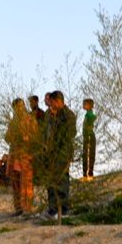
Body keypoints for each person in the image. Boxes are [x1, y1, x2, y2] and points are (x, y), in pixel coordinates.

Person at [40, 90, 77, 219]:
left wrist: (57, 149)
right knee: (50, 182)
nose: (50, 104)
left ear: (58, 101)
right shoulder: (50, 115)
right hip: (50, 154)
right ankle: (52, 209)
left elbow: (69, 135)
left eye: (52, 102)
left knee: (62, 181)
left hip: (62, 153)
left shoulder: (68, 115)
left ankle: (65, 210)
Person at [5, 98, 38, 215]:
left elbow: (35, 136)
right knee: (16, 182)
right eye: (16, 107)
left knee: (26, 183)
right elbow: (7, 137)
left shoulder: (30, 119)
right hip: (15, 155)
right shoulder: (13, 122)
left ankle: (27, 208)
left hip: (26, 155)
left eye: (21, 106)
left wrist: (26, 137)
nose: (19, 108)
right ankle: (18, 208)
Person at [82, 98, 97, 181]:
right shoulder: (87, 114)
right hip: (87, 136)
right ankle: (86, 174)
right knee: (86, 155)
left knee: (89, 155)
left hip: (89, 136)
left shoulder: (89, 115)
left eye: (85, 104)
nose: (83, 105)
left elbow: (93, 117)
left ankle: (89, 174)